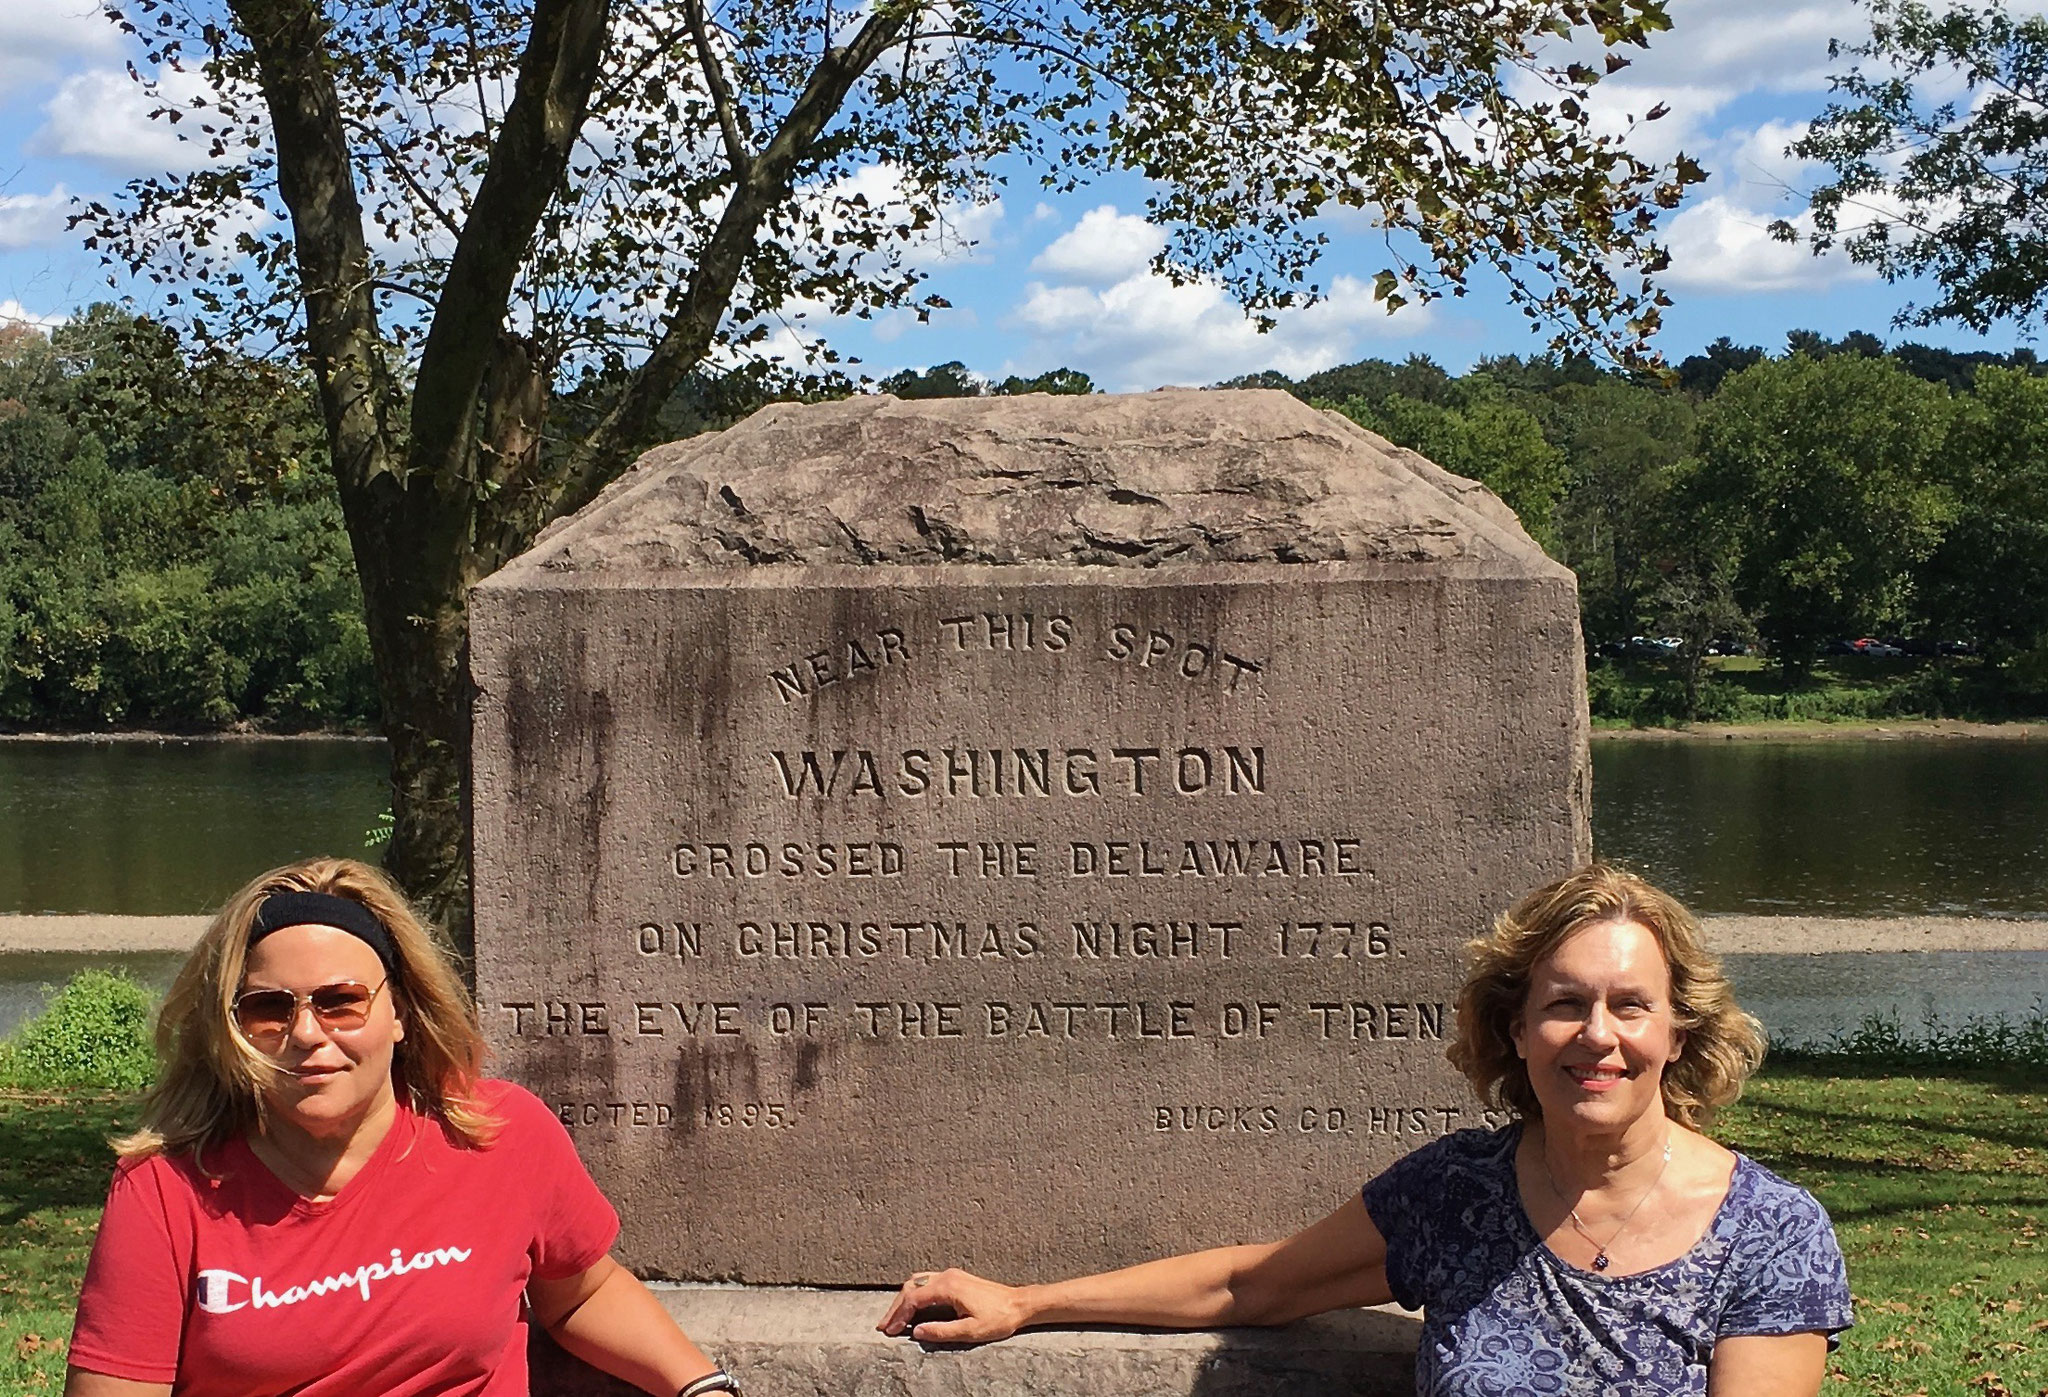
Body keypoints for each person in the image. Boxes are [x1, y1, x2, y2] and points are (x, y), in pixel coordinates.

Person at [878, 864, 1853, 1395]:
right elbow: (1252, 1282)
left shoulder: (1768, 1230)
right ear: (1513, 1027)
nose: (1595, 1034)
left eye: (1628, 1005)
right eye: (1563, 1004)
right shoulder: (1452, 1194)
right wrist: (1025, 1300)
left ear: (1676, 1026)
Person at [66, 857, 741, 1397]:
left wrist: (702, 1384)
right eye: (269, 1007)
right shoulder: (163, 1192)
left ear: (401, 1013)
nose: (306, 1033)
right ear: (231, 1027)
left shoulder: (501, 1133)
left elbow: (581, 1291)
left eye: (341, 1001)